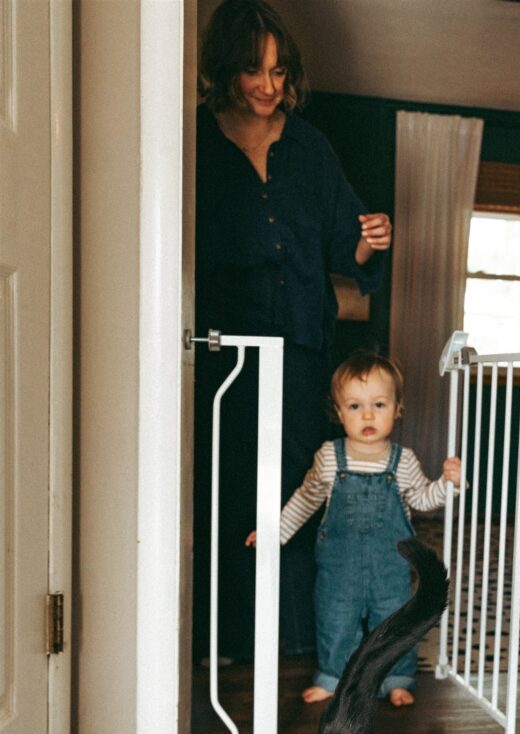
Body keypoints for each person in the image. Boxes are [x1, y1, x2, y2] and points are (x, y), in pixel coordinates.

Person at [193, 0, 392, 665]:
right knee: (223, 493)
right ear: (225, 68)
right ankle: (220, 640)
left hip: (303, 348)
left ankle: (299, 640)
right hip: (220, 352)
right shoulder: (194, 140)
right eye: (253, 70)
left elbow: (346, 245)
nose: (269, 86)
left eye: (279, 72)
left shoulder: (308, 146)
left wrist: (369, 241)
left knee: (301, 492)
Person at [246, 352, 462, 706]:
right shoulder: (329, 457)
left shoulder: (403, 461)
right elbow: (306, 498)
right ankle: (334, 676)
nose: (367, 415)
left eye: (378, 404)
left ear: (397, 409)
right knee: (335, 620)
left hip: (390, 567)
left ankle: (396, 679)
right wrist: (274, 532)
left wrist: (447, 483)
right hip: (339, 567)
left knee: (393, 622)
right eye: (355, 406)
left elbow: (423, 499)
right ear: (338, 411)